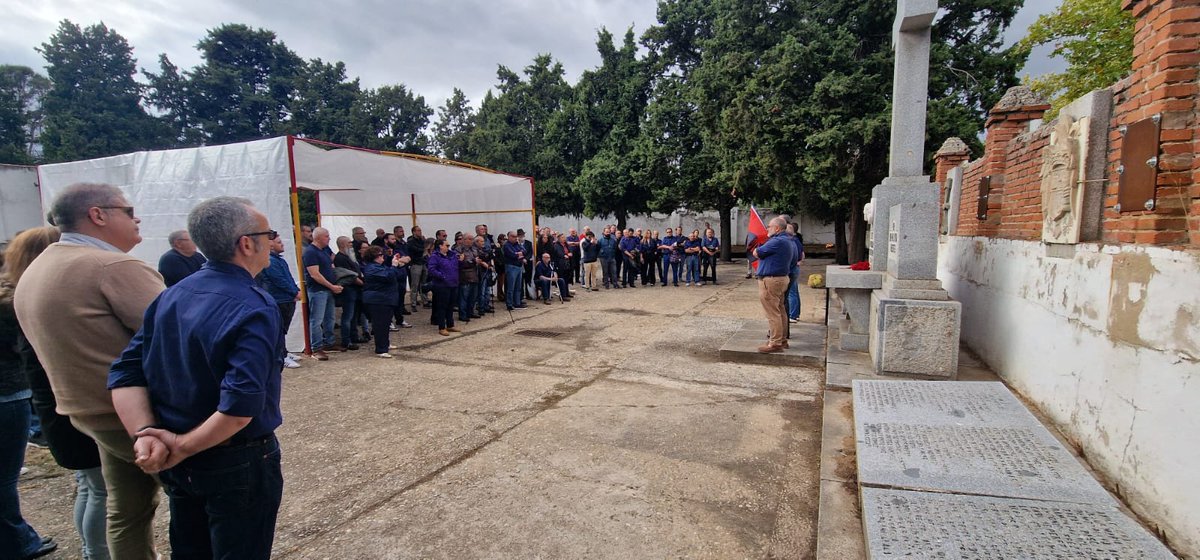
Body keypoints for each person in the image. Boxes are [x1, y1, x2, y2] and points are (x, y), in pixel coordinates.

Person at [109, 196, 284, 559]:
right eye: (269, 234)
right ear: (246, 243)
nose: (272, 241)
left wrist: (146, 435)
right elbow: (240, 407)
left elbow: (125, 372)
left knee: (190, 549)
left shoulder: (172, 295)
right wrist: (179, 446)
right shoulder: (253, 304)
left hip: (180, 456)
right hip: (234, 458)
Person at [14, 183, 165, 560]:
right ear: (98, 215)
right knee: (204, 497)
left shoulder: (39, 267)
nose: (137, 219)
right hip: (140, 412)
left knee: (126, 508)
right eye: (129, 211)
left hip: (91, 411)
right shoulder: (111, 266)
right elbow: (181, 338)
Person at [2, 231, 58, 560]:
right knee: (6, 477)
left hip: (13, 394)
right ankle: (17, 543)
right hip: (9, 396)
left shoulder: (9, 293)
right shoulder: (15, 303)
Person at [256, 232, 302, 369]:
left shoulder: (279, 260)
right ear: (270, 246)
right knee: (279, 329)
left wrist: (295, 290)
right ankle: (282, 356)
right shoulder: (271, 262)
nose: (282, 244)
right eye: (278, 242)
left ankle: (284, 351)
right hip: (279, 299)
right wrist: (294, 291)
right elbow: (279, 280)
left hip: (286, 298)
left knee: (283, 329)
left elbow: (288, 278)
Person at [752, 217, 795, 353]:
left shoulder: (777, 241)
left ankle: (775, 343)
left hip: (771, 280)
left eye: (769, 226)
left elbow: (756, 252)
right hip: (781, 278)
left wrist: (760, 247)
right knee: (780, 309)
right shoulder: (787, 240)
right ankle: (782, 340)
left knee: (772, 312)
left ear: (777, 228)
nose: (767, 229)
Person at [302, 227, 343, 359]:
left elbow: (330, 267)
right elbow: (315, 275)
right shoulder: (310, 252)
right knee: (317, 319)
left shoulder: (323, 251)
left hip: (327, 289)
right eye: (326, 236)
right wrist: (331, 286)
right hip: (318, 290)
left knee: (329, 318)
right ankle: (316, 347)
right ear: (318, 237)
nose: (329, 238)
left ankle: (329, 343)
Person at [360, 246, 405, 358]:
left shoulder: (379, 266)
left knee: (385, 324)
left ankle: (385, 344)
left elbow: (394, 274)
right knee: (380, 324)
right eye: (380, 255)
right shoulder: (371, 268)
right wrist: (394, 266)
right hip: (378, 300)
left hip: (385, 299)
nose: (382, 257)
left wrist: (395, 265)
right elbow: (388, 276)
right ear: (374, 257)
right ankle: (381, 349)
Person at [332, 236, 363, 351]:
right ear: (343, 244)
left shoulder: (349, 257)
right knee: (348, 316)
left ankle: (354, 336)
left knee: (354, 315)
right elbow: (348, 275)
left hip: (354, 289)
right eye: (349, 243)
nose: (351, 245)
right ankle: (346, 340)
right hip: (348, 290)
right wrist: (361, 283)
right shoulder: (340, 258)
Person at [426, 238, 461, 336]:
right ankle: (442, 326)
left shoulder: (452, 255)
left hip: (453, 283)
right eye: (447, 245)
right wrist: (442, 276)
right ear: (440, 246)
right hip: (442, 285)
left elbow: (456, 266)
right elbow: (431, 269)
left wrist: (461, 261)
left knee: (451, 305)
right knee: (442, 306)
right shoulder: (435, 256)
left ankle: (450, 324)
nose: (448, 247)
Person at [457, 233, 481, 323]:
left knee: (473, 296)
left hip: (474, 275)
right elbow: (461, 263)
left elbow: (479, 257)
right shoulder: (459, 249)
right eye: (469, 239)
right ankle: (463, 314)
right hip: (465, 276)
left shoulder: (474, 249)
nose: (471, 241)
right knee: (464, 296)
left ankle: (470, 312)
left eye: (472, 239)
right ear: (464, 239)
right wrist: (473, 261)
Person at [501, 231, 527, 311]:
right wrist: (518, 254)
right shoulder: (506, 245)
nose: (515, 238)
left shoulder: (517, 244)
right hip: (511, 267)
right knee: (511, 287)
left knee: (518, 286)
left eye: (516, 236)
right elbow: (512, 255)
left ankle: (517, 303)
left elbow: (524, 251)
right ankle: (509, 304)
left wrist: (519, 254)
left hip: (519, 266)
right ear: (508, 237)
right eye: (513, 236)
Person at [785, 223, 805, 323]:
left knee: (791, 293)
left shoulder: (792, 241)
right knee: (794, 292)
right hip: (795, 267)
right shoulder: (797, 240)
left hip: (792, 268)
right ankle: (795, 314)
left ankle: (792, 315)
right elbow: (802, 255)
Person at [406, 226, 430, 310]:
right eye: (418, 230)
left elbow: (426, 249)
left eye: (420, 230)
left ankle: (425, 301)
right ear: (413, 232)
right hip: (415, 264)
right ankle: (413, 303)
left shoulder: (422, 240)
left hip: (423, 263)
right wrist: (425, 249)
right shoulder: (411, 241)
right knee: (415, 284)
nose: (420, 232)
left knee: (424, 283)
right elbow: (417, 250)